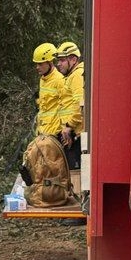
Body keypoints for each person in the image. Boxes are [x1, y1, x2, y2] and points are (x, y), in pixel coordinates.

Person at [54, 41, 86, 170]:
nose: (58, 64)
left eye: (62, 60)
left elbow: (80, 104)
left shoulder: (77, 75)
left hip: (76, 133)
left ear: (73, 59)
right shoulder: (72, 75)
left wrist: (69, 126)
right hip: (72, 132)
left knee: (75, 175)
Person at [32, 42, 67, 137]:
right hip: (42, 132)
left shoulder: (60, 80)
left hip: (54, 134)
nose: (37, 67)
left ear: (50, 62)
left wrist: (65, 128)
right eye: (36, 64)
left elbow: (66, 106)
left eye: (40, 64)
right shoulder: (43, 79)